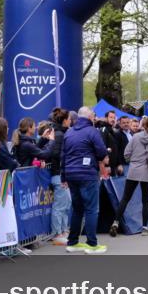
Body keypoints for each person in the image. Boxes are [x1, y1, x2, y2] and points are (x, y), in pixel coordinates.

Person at [61, 106, 109, 254]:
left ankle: (73, 242)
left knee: (77, 209)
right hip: (87, 174)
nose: (94, 118)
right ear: (89, 117)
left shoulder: (69, 132)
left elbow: (63, 156)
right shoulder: (92, 131)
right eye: (93, 116)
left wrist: (63, 176)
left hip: (71, 174)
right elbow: (101, 152)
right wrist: (102, 157)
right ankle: (91, 244)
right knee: (91, 209)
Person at [46, 109, 71, 245]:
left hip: (62, 174)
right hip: (59, 174)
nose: (71, 121)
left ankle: (63, 230)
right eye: (69, 119)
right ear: (65, 120)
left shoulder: (61, 133)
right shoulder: (60, 134)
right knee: (60, 205)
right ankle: (57, 233)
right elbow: (56, 154)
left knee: (66, 203)